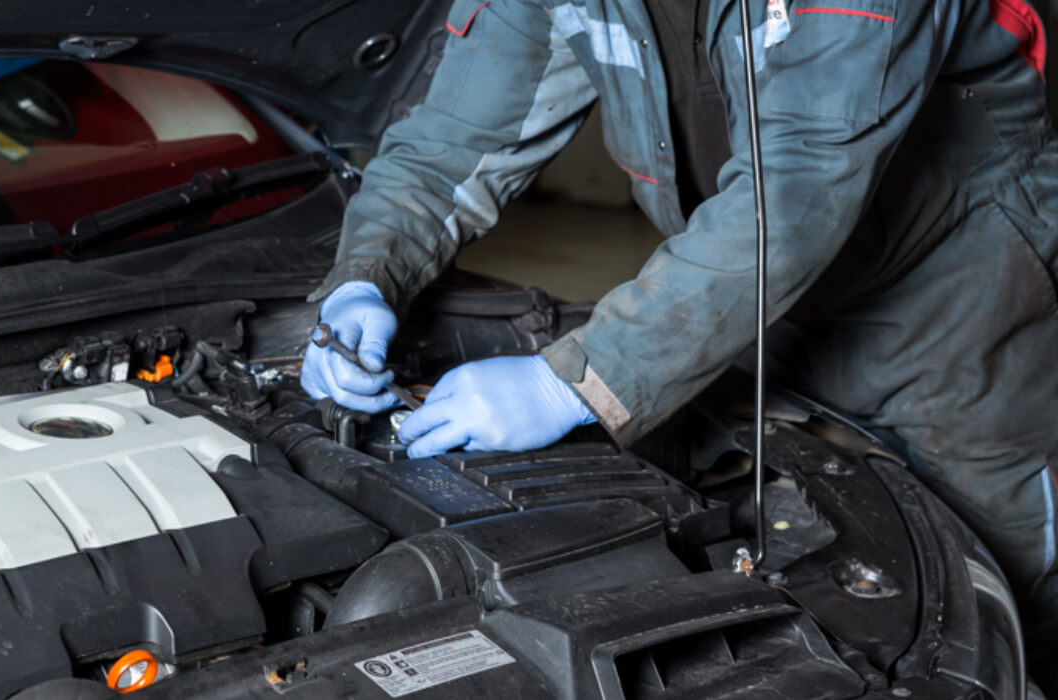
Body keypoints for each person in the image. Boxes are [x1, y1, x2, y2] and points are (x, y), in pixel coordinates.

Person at [300, 0, 1056, 687]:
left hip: (955, 287)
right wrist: (364, 278)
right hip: (746, 294)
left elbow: (796, 188)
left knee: (1009, 581)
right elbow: (453, 143)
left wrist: (570, 381)